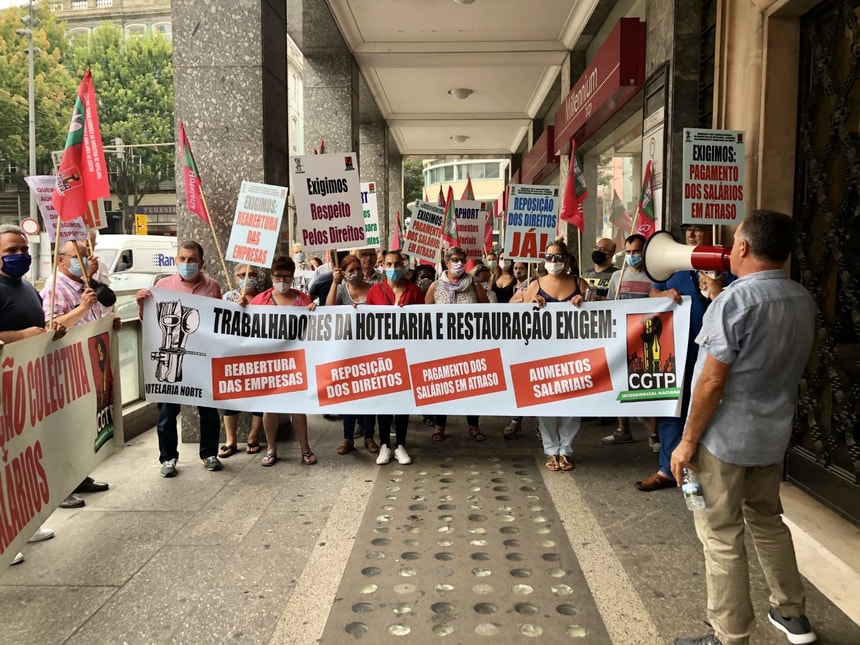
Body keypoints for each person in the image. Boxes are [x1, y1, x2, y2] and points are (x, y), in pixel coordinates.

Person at [670, 211, 817, 645]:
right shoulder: (801, 298)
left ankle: (729, 634)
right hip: (771, 435)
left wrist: (687, 441)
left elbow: (712, 381)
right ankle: (792, 613)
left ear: (744, 247)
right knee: (768, 521)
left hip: (722, 439)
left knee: (720, 533)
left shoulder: (734, 301)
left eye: (734, 241)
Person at [635, 224, 732, 492]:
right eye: (687, 230)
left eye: (697, 229)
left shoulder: (727, 264)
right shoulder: (671, 264)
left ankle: (703, 470)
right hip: (677, 348)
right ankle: (666, 469)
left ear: (711, 232)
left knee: (706, 406)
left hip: (715, 351)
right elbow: (653, 292)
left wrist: (718, 288)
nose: (691, 234)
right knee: (672, 407)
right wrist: (664, 294)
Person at [0, 224, 68, 564]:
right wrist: (20, 336)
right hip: (4, 387)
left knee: (23, 456)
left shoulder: (27, 288)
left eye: (24, 250)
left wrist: (50, 331)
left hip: (26, 388)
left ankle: (24, 526)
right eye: (11, 251)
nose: (20, 256)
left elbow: (37, 328)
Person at [136, 240, 224, 477]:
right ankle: (168, 458)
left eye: (192, 260)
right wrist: (141, 305)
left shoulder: (213, 287)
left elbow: (218, 321)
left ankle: (209, 454)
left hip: (202, 360)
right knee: (167, 413)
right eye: (183, 259)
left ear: (201, 263)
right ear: (176, 260)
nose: (187, 263)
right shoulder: (162, 286)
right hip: (170, 359)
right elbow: (150, 322)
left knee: (209, 411)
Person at [40, 239, 116, 508]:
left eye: (86, 256)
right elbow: (50, 326)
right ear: (60, 259)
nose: (84, 262)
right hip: (64, 367)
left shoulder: (85, 285)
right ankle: (62, 486)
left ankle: (79, 476)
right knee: (65, 429)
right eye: (77, 257)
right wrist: (82, 308)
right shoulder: (56, 288)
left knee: (81, 426)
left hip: (85, 364)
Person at [522, 240, 586, 471]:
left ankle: (565, 450)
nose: (553, 261)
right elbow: (517, 314)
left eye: (558, 257)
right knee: (546, 403)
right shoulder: (535, 285)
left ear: (567, 259)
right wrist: (530, 303)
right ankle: (550, 451)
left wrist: (585, 301)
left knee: (573, 404)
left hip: (574, 353)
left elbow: (600, 312)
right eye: (549, 257)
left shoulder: (580, 283)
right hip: (543, 354)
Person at [249, 256, 317, 466]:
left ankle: (305, 448)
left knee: (297, 406)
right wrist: (241, 307)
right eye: (278, 275)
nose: (282, 280)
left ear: (293, 277)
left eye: (287, 276)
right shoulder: (259, 300)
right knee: (270, 407)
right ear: (272, 276)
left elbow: (314, 328)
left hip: (296, 361)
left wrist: (314, 311)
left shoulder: (303, 299)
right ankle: (271, 449)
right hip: (269, 362)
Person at [601, 234, 660, 449]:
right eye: (628, 252)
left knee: (652, 383)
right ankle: (623, 429)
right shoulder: (617, 276)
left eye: (636, 251)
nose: (632, 255)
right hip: (621, 336)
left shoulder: (655, 276)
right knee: (620, 382)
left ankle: (654, 433)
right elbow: (610, 304)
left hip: (648, 336)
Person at [366, 250, 424, 465]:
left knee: (402, 401)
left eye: (397, 264)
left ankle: (400, 444)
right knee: (384, 400)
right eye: (389, 264)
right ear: (382, 266)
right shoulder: (374, 291)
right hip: (382, 354)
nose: (393, 268)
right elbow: (367, 322)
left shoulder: (414, 290)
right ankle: (384, 445)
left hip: (407, 353)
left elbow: (423, 321)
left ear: (404, 266)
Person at [426, 246, 489, 442]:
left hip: (469, 345)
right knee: (442, 386)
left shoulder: (474, 283)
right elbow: (424, 315)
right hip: (443, 346)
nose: (459, 264)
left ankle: (473, 425)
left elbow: (487, 310)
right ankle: (440, 425)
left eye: (462, 260)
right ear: (446, 262)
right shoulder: (435, 286)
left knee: (472, 386)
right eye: (454, 260)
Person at [219, 264, 263, 457]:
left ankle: (253, 436)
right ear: (236, 278)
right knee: (231, 397)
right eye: (242, 275)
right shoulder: (227, 298)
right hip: (234, 354)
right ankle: (231, 440)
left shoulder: (265, 298)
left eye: (252, 274)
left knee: (259, 396)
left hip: (259, 354)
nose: (247, 278)